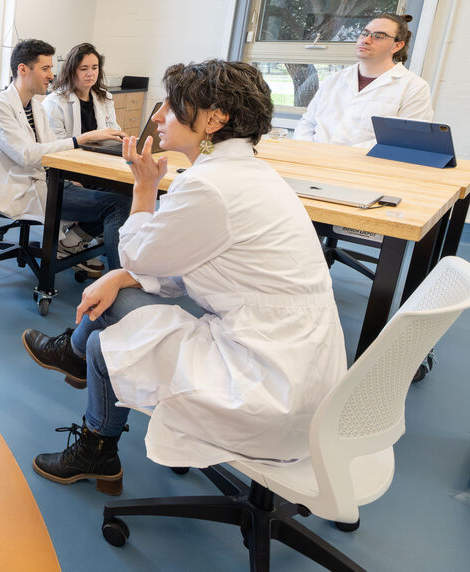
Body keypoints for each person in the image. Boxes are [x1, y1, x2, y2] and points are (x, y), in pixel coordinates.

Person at [23, 60, 345, 495]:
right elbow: (179, 268)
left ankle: (93, 426)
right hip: (302, 372)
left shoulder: (210, 187)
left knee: (106, 341)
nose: (157, 116)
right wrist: (121, 276)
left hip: (267, 386)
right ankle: (77, 365)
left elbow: (137, 253)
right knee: (114, 299)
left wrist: (142, 190)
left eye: (172, 107)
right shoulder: (248, 174)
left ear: (214, 119)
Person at [0, 39, 128, 278]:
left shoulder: (34, 106)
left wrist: (68, 175)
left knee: (124, 191)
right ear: (23, 69)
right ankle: (118, 279)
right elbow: (27, 156)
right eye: (45, 68)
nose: (51, 74)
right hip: (21, 189)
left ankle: (71, 245)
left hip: (48, 181)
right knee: (117, 205)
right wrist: (81, 139)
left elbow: (49, 149)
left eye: (51, 68)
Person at [42, 42, 131, 273]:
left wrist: (125, 143)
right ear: (72, 70)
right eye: (84, 68)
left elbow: (112, 132)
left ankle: (74, 241)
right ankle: (116, 273)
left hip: (96, 169)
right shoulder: (56, 102)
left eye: (94, 67)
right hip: (66, 174)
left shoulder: (104, 98)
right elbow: (54, 147)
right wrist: (72, 175)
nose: (91, 73)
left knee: (129, 190)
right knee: (118, 204)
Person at [295, 12, 433, 147]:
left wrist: (340, 158)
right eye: (365, 33)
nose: (366, 40)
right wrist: (307, 150)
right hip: (313, 160)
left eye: (378, 36)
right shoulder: (334, 79)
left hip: (363, 166)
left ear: (397, 46)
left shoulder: (414, 87)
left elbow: (405, 139)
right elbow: (308, 122)